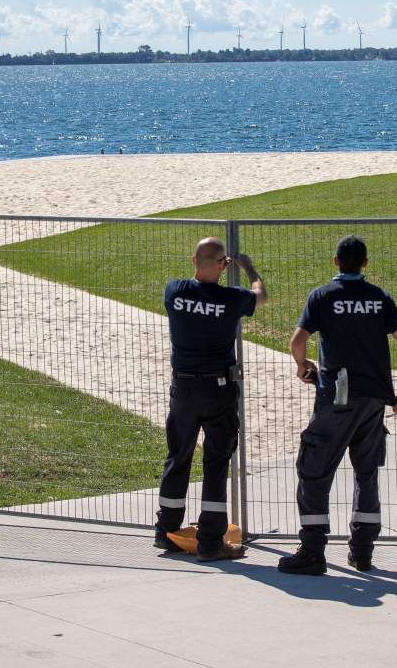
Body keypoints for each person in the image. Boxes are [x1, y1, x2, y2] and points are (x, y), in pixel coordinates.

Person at [278, 235, 397, 575]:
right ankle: (363, 551)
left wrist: (302, 365)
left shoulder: (322, 296)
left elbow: (298, 341)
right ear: (365, 264)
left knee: (314, 469)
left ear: (335, 262)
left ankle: (312, 550)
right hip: (373, 399)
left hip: (336, 396)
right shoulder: (379, 297)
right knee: (366, 474)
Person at [156, 237, 268, 561]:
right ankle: (210, 542)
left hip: (184, 388)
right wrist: (250, 268)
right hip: (217, 390)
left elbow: (194, 292)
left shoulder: (174, 291)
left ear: (193, 260)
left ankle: (166, 531)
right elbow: (262, 296)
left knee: (178, 457)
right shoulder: (231, 299)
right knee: (216, 465)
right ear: (223, 265)